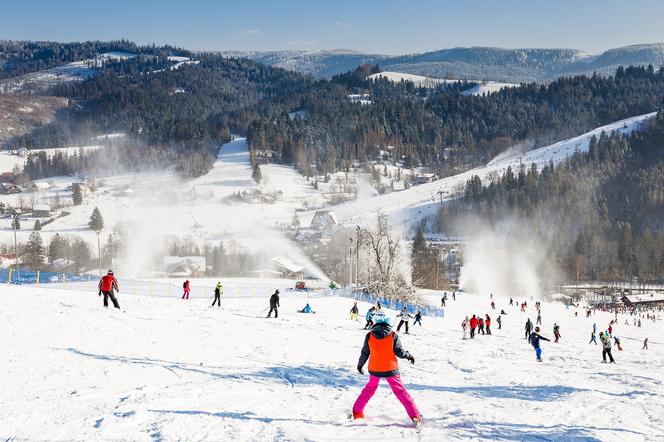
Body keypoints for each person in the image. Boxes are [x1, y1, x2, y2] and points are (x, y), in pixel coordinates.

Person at [352, 312, 421, 425]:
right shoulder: (393, 335)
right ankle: (415, 416)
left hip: (375, 368)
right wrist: (409, 355)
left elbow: (365, 352)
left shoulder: (369, 335)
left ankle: (357, 412)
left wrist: (360, 365)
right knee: (400, 391)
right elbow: (399, 352)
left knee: (369, 389)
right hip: (390, 369)